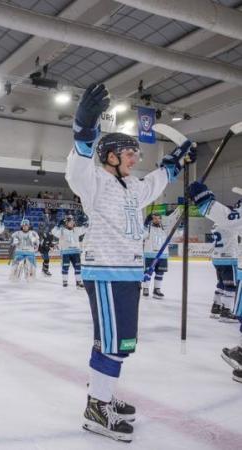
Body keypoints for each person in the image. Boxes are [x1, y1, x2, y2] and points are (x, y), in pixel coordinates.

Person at [66, 83, 195, 442]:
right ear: (108, 155)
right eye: (128, 152)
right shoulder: (93, 182)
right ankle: (96, 409)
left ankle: (103, 395)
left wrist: (177, 160)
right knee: (112, 342)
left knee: (119, 342)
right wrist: (85, 128)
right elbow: (77, 163)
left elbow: (158, 180)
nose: (135, 158)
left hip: (127, 273)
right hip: (105, 272)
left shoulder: (132, 188)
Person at [189, 184, 242, 382]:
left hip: (223, 258)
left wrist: (205, 201)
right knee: (228, 288)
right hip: (228, 258)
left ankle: (219, 308)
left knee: (225, 288)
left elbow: (230, 218)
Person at [142, 209, 182, 299]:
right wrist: (145, 224)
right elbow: (142, 235)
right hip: (150, 254)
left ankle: (157, 289)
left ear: (160, 219)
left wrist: (181, 225)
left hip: (162, 255)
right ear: (151, 219)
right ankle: (145, 288)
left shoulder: (165, 229)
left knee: (160, 273)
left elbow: (176, 235)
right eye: (154, 218)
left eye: (158, 218)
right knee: (148, 272)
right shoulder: (148, 228)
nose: (156, 220)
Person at [207, 224, 240, 321]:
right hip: (228, 258)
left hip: (217, 258)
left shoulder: (215, 224)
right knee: (230, 286)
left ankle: (216, 308)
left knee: (221, 284)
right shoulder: (231, 222)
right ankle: (226, 311)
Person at [52, 214, 87, 288]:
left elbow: (85, 229)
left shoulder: (77, 229)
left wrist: (85, 223)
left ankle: (78, 282)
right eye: (69, 221)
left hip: (76, 252)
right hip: (66, 252)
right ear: (66, 223)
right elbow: (53, 232)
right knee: (65, 267)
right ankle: (65, 281)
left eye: (72, 221)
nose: (71, 223)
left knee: (78, 267)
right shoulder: (62, 231)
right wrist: (57, 225)